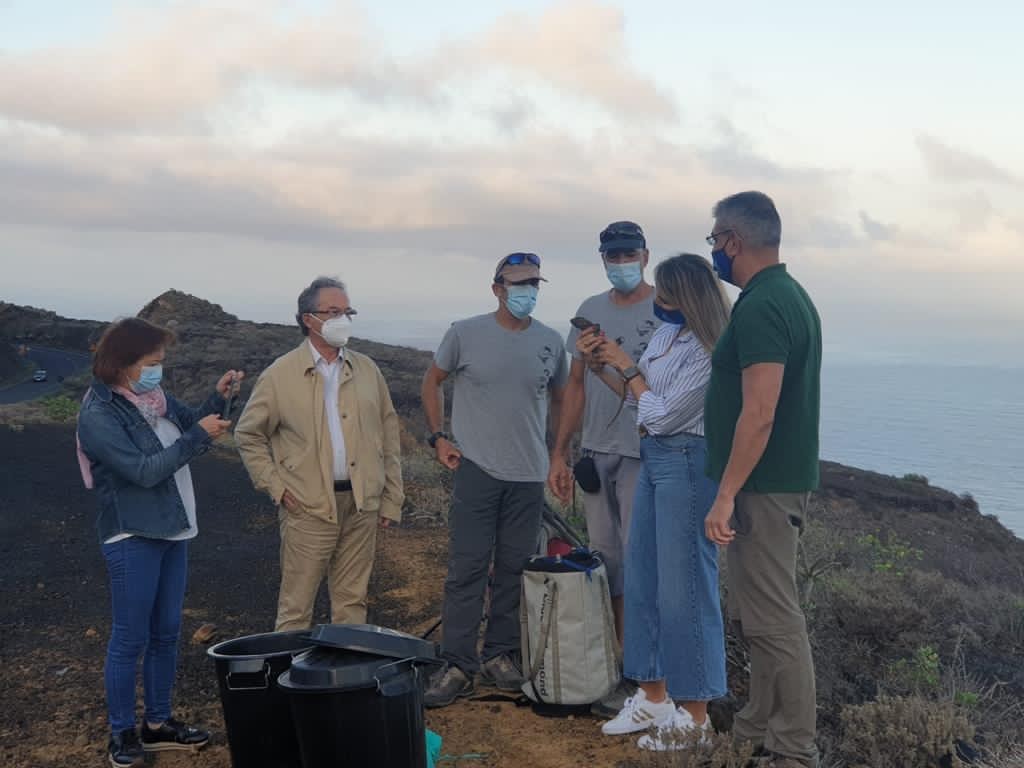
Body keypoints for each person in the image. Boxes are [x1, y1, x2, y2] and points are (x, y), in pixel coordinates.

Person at [578, 253, 731, 750]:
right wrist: (601, 364)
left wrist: (627, 367)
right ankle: (652, 695)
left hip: (686, 458)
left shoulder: (711, 351)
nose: (658, 302)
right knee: (643, 576)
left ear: (688, 299)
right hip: (653, 455)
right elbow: (636, 397)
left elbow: (664, 414)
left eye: (666, 295)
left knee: (684, 588)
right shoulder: (668, 335)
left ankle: (695, 715)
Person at [76, 317, 239, 767]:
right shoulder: (99, 414)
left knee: (166, 634)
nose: (158, 371)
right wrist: (197, 436)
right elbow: (146, 470)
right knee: (130, 638)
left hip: (173, 528)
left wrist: (219, 397)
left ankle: (158, 724)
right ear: (123, 363)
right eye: (151, 363)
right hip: (133, 534)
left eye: (161, 363)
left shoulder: (154, 397)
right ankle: (122, 733)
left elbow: (191, 424)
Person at [703, 191, 822, 768]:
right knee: (759, 613)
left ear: (733, 240)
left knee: (775, 617)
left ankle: (795, 750)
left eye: (715, 241)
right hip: (767, 484)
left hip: (763, 488)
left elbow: (760, 411)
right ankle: (757, 726)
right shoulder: (783, 296)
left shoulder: (764, 305)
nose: (715, 254)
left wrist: (725, 494)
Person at [420, 252, 568, 707]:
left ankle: (499, 654)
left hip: (527, 475)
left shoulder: (550, 341)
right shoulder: (465, 333)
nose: (527, 292)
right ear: (497, 288)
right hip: (477, 470)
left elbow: (562, 397)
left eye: (533, 284)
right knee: (467, 568)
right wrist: (439, 438)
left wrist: (559, 453)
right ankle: (458, 662)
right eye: (517, 284)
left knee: (513, 569)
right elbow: (432, 382)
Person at [235, 276, 404, 631]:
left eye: (347, 312)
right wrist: (277, 487)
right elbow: (249, 435)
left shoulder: (367, 370)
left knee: (352, 602)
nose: (342, 319)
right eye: (332, 312)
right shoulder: (280, 375)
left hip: (361, 507)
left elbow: (388, 437)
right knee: (296, 608)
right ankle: (287, 680)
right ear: (307, 318)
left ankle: (344, 679)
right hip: (308, 508)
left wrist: (391, 498)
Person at [548, 220, 658, 714]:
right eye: (612, 256)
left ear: (645, 255)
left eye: (627, 255)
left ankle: (649, 674)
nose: (620, 264)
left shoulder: (667, 309)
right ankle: (620, 664)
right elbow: (574, 387)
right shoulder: (589, 311)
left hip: (645, 453)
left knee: (643, 562)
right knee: (608, 561)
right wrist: (561, 452)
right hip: (596, 452)